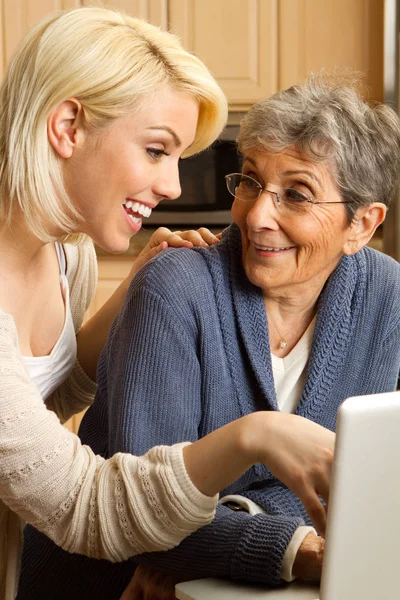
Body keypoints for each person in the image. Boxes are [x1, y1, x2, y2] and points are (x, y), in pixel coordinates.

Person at [18, 72, 400, 600]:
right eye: (249, 181)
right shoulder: (175, 286)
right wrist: (297, 547)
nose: (257, 216)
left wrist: (246, 521)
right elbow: (148, 520)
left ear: (361, 224)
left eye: (296, 194)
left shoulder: (385, 293)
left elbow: (361, 481)